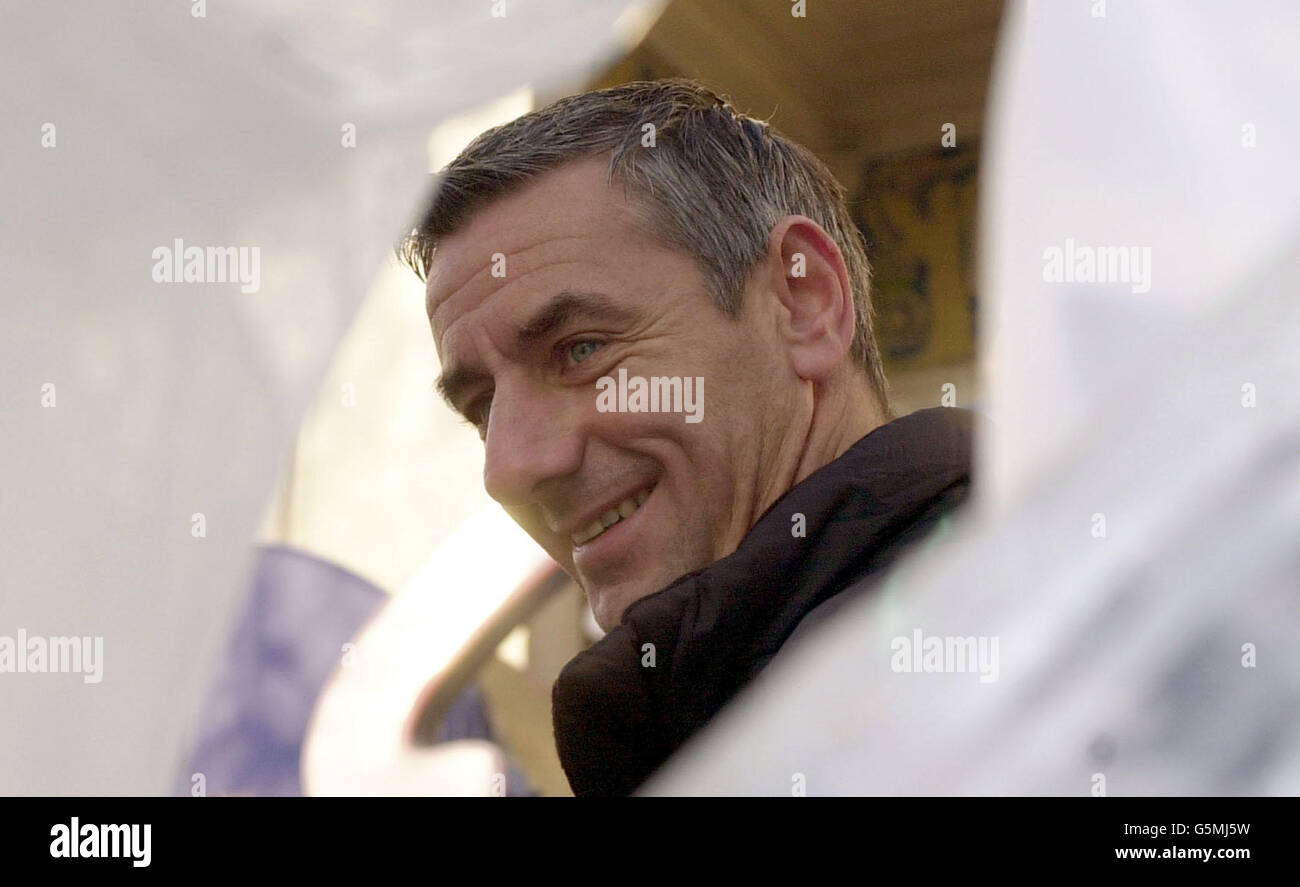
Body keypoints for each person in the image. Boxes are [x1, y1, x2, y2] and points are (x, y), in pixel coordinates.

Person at [399, 79, 973, 795]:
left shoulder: (1013, 652)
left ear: (803, 303)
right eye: (482, 407)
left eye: (581, 350)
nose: (511, 466)